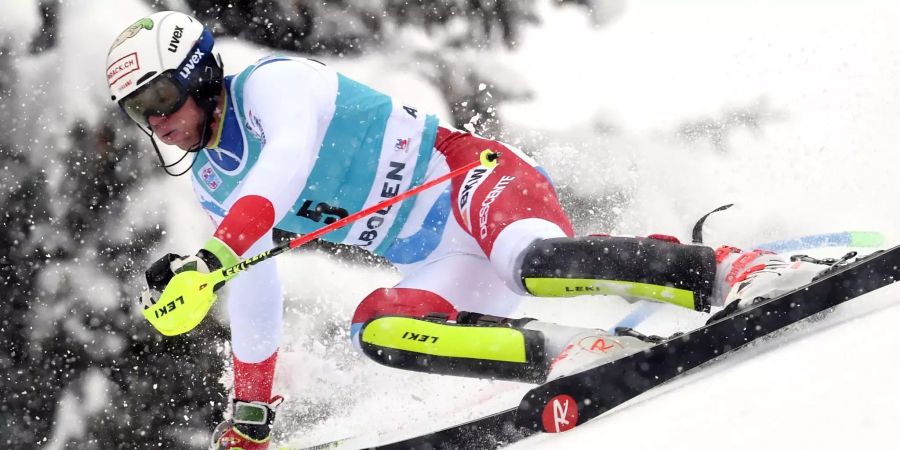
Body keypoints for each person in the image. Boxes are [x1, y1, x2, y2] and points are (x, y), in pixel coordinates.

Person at [106, 11, 837, 450]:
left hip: (475, 181)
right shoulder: (211, 180)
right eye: (143, 111)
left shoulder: (273, 85)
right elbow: (254, 280)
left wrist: (211, 255)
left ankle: (725, 269)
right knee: (380, 330)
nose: (161, 119)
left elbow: (288, 165)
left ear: (202, 73)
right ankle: (572, 351)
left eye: (164, 95)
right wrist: (252, 413)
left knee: (533, 262)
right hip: (441, 256)